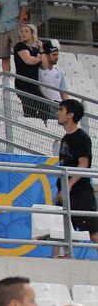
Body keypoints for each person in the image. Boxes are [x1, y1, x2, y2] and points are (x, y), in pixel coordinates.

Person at [56, 98, 98, 246]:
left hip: (80, 193)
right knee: (59, 231)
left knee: (93, 232)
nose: (58, 112)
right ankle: (59, 260)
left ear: (70, 115)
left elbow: (83, 164)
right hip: (65, 192)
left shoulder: (82, 138)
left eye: (61, 110)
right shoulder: (65, 138)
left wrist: (69, 184)